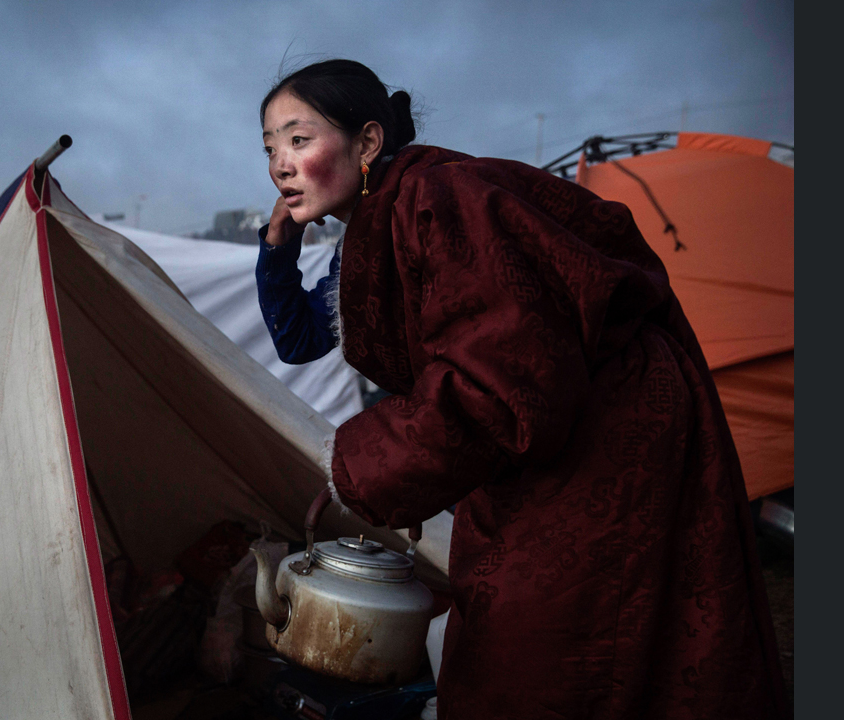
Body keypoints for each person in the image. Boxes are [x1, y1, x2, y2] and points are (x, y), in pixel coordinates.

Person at [255, 59, 786, 720]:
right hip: (536, 440)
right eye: (270, 146)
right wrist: (277, 248)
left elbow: (499, 376)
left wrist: (364, 468)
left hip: (603, 435)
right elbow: (300, 339)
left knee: (556, 645)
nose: (279, 162)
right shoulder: (369, 233)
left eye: (298, 140)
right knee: (522, 631)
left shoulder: (442, 198)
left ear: (366, 142)